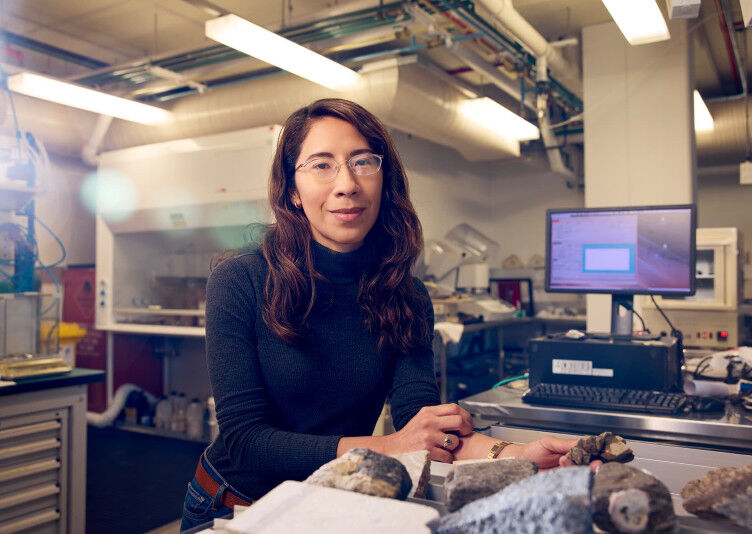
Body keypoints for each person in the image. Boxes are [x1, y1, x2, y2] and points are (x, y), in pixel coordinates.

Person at [180, 98, 595, 531]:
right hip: (236, 506)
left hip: (337, 500)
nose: (346, 184)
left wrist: (515, 457)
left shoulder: (406, 295)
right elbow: (246, 441)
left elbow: (420, 422)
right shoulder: (240, 279)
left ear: (384, 179)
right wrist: (389, 445)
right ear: (291, 192)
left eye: (362, 162)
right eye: (321, 165)